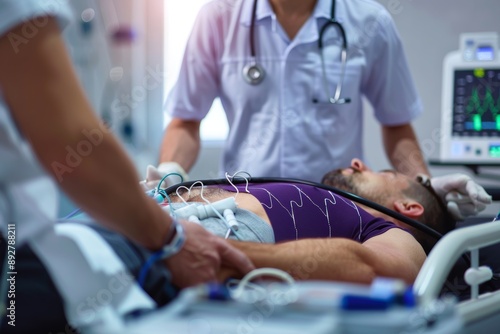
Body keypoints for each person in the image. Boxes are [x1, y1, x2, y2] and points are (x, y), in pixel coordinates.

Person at [0, 1, 253, 331]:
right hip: (32, 253)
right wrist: (171, 231)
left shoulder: (337, 212)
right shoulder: (221, 15)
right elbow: (71, 142)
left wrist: (170, 238)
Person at [147, 0, 491, 221]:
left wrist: (425, 188)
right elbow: (186, 120)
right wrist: (168, 172)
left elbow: (397, 126)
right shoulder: (218, 17)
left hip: (339, 211)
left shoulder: (370, 22)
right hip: (243, 206)